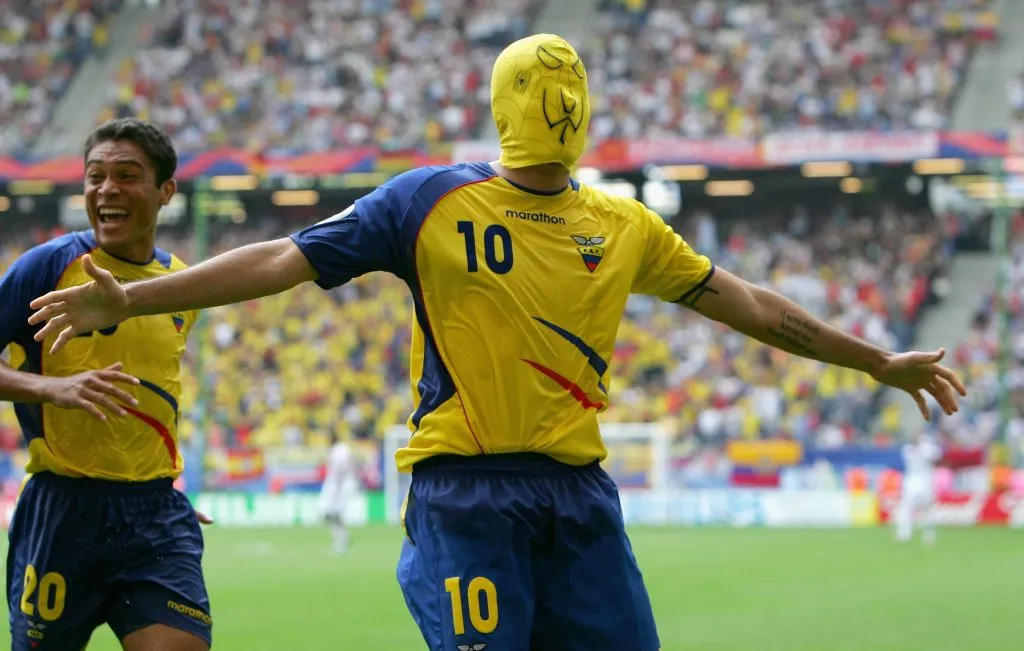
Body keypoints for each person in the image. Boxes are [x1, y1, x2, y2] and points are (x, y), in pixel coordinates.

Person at [28, 34, 966, 651]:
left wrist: (875, 360)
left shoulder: (617, 222)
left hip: (577, 499)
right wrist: (140, 303)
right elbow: (284, 257)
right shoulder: (435, 201)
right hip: (466, 495)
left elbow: (755, 305)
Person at [2, 118, 213, 651]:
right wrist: (52, 389)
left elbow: (157, 392)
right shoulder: (46, 268)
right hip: (62, 510)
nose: (106, 189)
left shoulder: (181, 285)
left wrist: (155, 479)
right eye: (95, 176)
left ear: (166, 191)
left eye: (126, 175)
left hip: (154, 516)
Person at [895, 431, 943, 545]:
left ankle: (929, 534)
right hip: (912, 479)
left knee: (927, 508)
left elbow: (937, 455)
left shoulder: (927, 447)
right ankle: (904, 534)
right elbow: (911, 456)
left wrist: (926, 444)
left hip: (925, 480)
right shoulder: (907, 448)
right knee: (907, 507)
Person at [320, 433, 359, 554]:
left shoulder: (338, 450)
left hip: (339, 486)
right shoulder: (341, 449)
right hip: (339, 485)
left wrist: (337, 484)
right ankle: (343, 536)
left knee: (330, 513)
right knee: (330, 514)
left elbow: (341, 468)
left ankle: (342, 539)